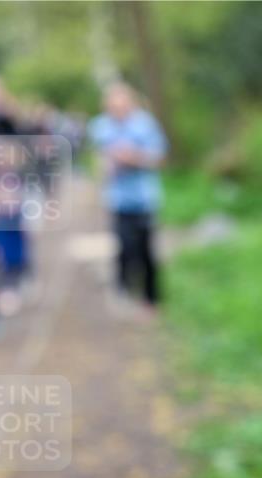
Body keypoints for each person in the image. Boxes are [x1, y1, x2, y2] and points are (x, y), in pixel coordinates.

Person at [89, 81, 168, 311]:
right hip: (117, 198)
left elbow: (159, 157)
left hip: (144, 198)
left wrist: (133, 158)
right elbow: (99, 159)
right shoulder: (100, 127)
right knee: (123, 247)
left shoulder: (145, 124)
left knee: (146, 250)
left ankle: (151, 298)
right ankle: (123, 291)